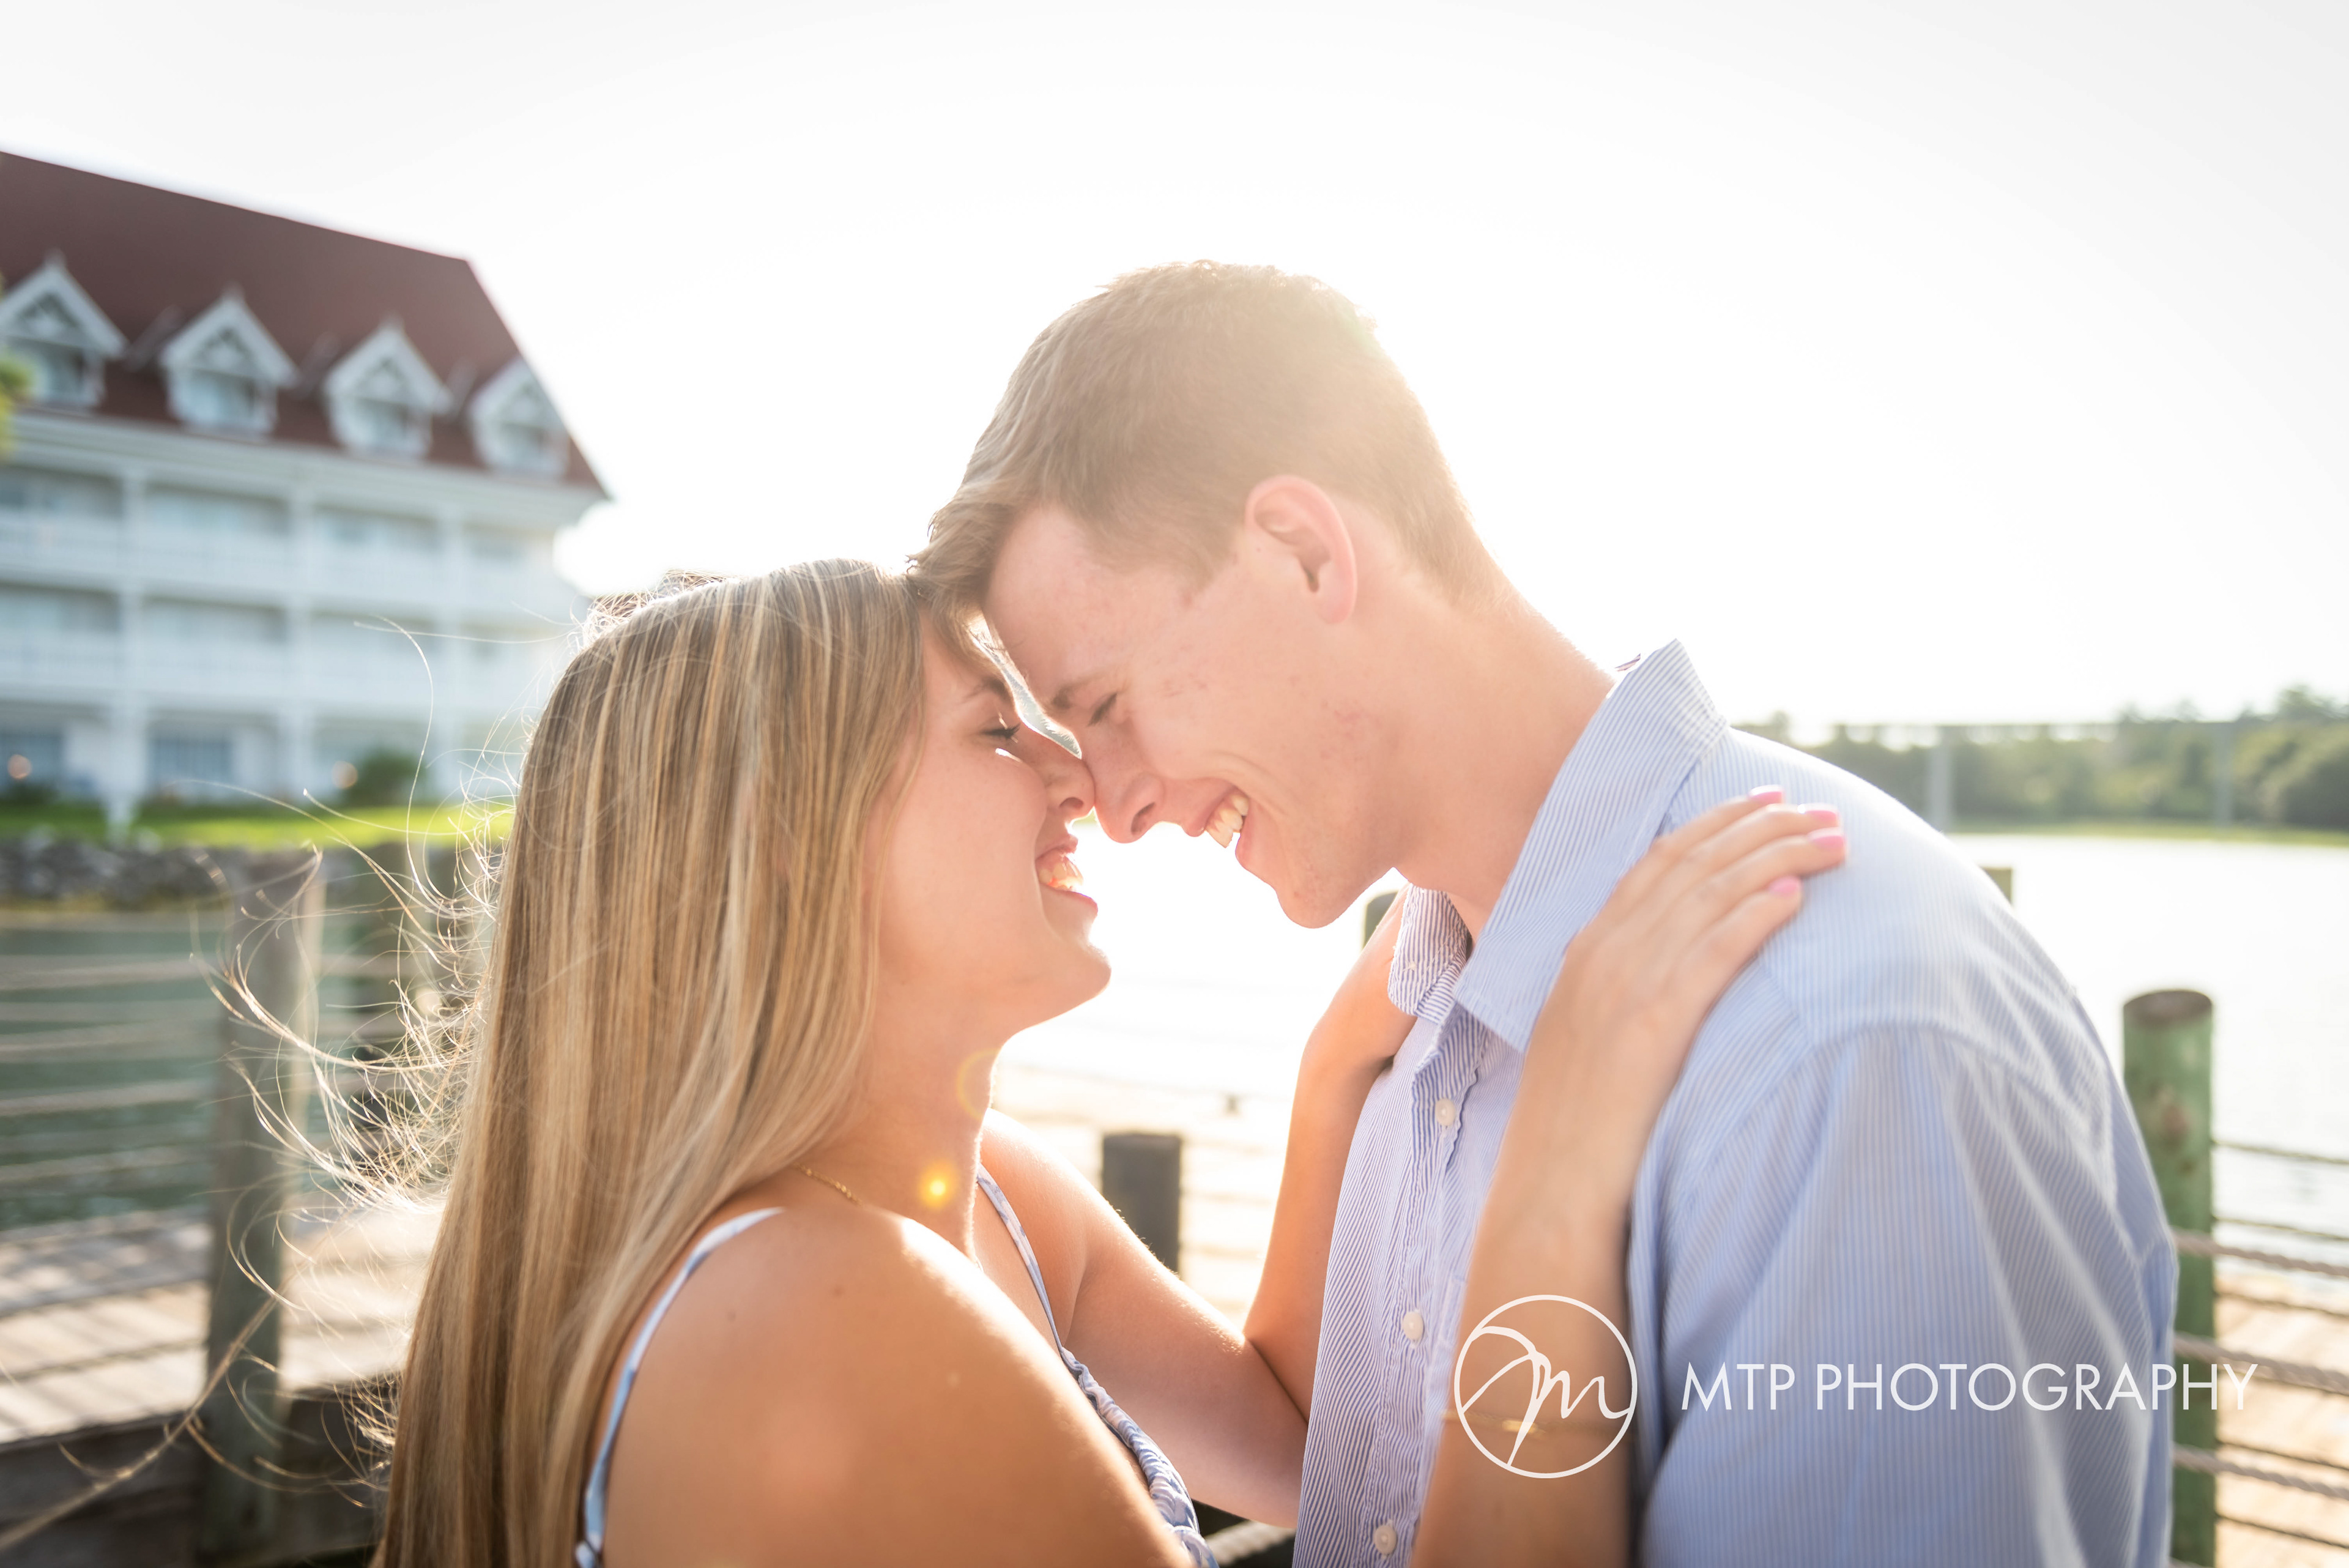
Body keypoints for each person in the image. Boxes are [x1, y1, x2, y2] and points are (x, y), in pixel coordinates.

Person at [910, 261, 2178, 1566]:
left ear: (1304, 552)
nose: (1114, 808)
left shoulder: (1842, 1041)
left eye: (1108, 705)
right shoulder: (1422, 1030)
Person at [373, 560, 1841, 1567]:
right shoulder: (818, 1305)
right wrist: (1562, 1166)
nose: (1080, 774)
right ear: (792, 846)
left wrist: (1340, 1071)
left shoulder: (984, 1199)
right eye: (993, 728)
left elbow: (1291, 1434)